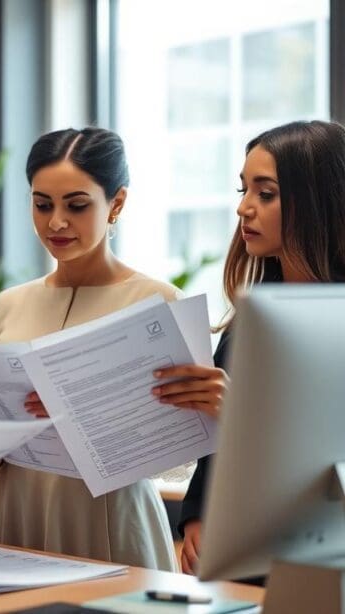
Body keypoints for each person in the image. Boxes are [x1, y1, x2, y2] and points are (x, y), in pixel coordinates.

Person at [0, 127, 179, 570]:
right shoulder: (10, 303)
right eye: (42, 203)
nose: (56, 222)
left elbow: (179, 446)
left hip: (109, 517)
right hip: (15, 512)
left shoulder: (157, 302)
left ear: (117, 203)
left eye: (77, 205)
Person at [151, 120, 345, 575]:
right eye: (243, 191)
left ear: (317, 199)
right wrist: (197, 513)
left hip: (318, 555)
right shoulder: (246, 327)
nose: (243, 209)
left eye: (265, 193)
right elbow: (215, 445)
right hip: (242, 551)